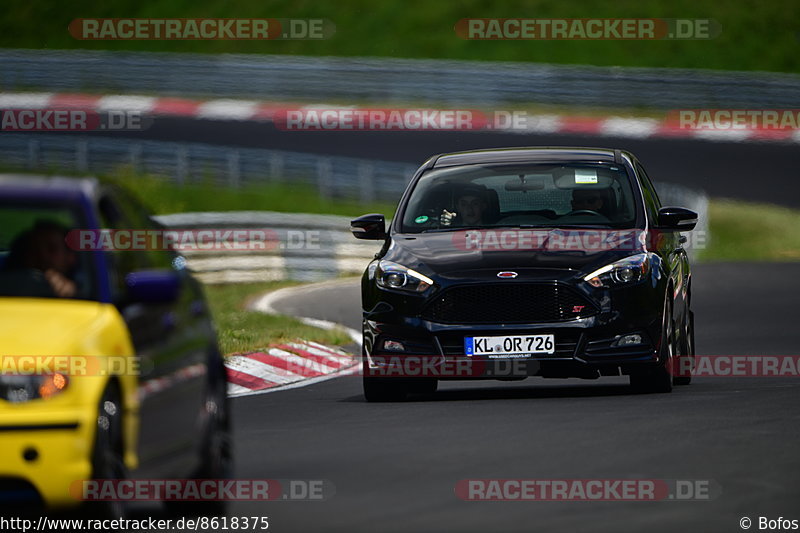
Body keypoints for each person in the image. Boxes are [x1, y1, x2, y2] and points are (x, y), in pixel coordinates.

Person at [1, 220, 77, 297]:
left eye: (52, 249)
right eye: (34, 248)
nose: (43, 255)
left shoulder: (83, 291)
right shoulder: (5, 285)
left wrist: (72, 292)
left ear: (70, 257)